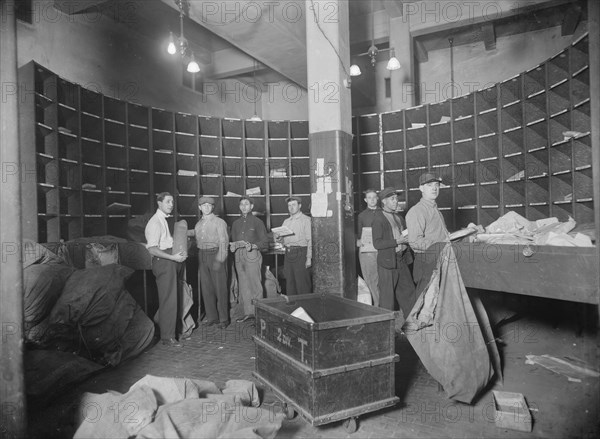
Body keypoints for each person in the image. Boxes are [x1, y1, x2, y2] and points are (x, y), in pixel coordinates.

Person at [144, 192, 187, 346]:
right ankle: (167, 337)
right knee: (169, 298)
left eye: (172, 202)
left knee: (171, 297)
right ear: (159, 203)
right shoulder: (155, 222)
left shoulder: (165, 220)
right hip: (164, 261)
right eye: (168, 202)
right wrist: (172, 258)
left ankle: (160, 326)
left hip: (170, 258)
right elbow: (152, 249)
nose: (171, 205)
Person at [372, 187, 416, 316]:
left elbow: (403, 236)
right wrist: (397, 241)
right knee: (387, 300)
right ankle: (384, 330)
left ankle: (412, 328)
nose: (396, 201)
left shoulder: (399, 218)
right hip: (387, 263)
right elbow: (377, 243)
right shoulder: (378, 219)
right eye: (392, 199)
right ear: (384, 201)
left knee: (409, 294)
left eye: (396, 198)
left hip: (401, 261)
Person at [405, 172, 451, 288]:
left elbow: (442, 235)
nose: (434, 188)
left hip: (440, 259)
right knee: (425, 301)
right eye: (429, 185)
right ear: (421, 188)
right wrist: (440, 245)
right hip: (426, 262)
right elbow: (415, 242)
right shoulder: (417, 211)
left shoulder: (436, 210)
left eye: (436, 185)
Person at [230, 196, 268, 323]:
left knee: (255, 285)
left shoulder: (258, 222)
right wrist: (233, 246)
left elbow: (265, 242)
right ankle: (249, 313)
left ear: (252, 206)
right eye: (241, 204)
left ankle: (259, 315)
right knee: (244, 285)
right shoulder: (235, 223)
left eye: (247, 204)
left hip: (252, 254)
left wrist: (253, 246)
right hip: (238, 255)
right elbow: (233, 240)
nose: (244, 206)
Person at [194, 196, 230, 329]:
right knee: (206, 287)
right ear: (200, 207)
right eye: (204, 205)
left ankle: (224, 319)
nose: (207, 207)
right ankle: (212, 317)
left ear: (213, 207)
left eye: (209, 205)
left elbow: (223, 242)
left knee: (220, 287)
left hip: (215, 253)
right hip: (202, 254)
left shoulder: (219, 222)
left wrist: (219, 260)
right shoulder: (198, 224)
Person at [274, 196, 312, 295]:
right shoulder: (286, 222)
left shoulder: (306, 220)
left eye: (294, 205)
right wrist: (279, 239)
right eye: (289, 205)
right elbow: (284, 241)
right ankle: (294, 308)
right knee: (290, 283)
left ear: (300, 206)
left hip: (301, 253)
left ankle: (305, 308)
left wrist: (309, 258)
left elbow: (310, 240)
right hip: (288, 253)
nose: (291, 207)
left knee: (302, 284)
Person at [356, 189, 381, 306]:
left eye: (374, 197)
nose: (372, 199)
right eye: (369, 197)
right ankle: (376, 306)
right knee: (371, 280)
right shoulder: (361, 216)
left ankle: (385, 305)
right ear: (365, 200)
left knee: (383, 279)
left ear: (377, 199)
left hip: (382, 250)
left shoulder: (384, 213)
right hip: (368, 252)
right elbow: (357, 234)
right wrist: (357, 241)